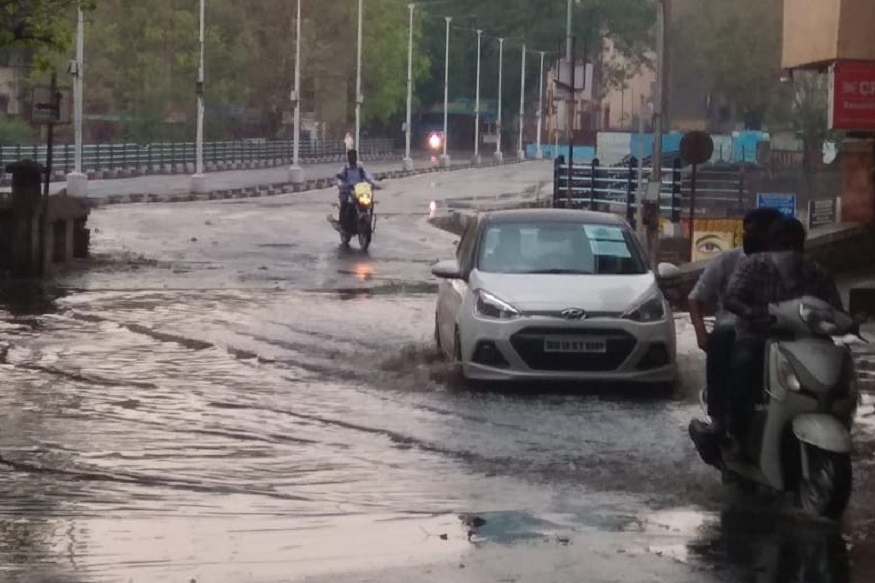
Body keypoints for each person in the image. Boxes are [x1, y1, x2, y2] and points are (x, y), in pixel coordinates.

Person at [724, 217, 842, 451]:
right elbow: (731, 297)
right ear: (772, 245)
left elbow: (834, 308)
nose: (789, 251)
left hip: (805, 340)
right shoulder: (753, 266)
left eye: (795, 245)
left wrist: (846, 321)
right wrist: (753, 312)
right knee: (745, 364)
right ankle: (737, 429)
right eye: (783, 244)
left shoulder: (815, 271)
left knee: (838, 370)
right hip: (758, 336)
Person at [688, 207, 783, 438]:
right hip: (738, 328)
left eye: (757, 232)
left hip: (781, 327)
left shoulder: (793, 264)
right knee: (723, 338)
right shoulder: (729, 261)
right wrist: (701, 333)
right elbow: (696, 297)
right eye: (748, 231)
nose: (751, 237)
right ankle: (719, 419)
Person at [336, 149, 380, 223]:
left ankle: (369, 221)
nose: (352, 158)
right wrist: (340, 184)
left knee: (369, 202)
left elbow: (367, 176)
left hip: (360, 190)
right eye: (351, 156)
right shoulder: (345, 168)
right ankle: (342, 224)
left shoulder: (360, 167)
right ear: (348, 158)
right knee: (344, 204)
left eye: (354, 156)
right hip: (348, 191)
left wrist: (374, 183)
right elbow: (339, 178)